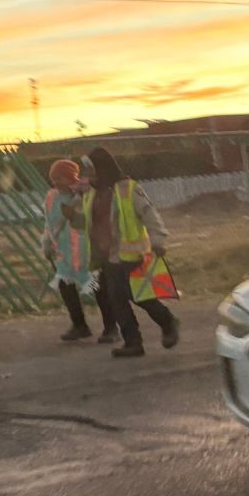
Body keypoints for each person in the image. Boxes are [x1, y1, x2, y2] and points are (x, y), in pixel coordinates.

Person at [77, 148, 179, 359]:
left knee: (141, 298)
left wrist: (158, 239)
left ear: (102, 168)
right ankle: (133, 343)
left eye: (91, 169)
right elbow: (89, 221)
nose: (88, 174)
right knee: (117, 299)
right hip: (107, 257)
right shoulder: (91, 193)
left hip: (130, 256)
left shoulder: (128, 189)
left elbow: (149, 213)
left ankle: (168, 322)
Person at [42, 159, 113, 342]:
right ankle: (79, 325)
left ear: (71, 177)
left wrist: (77, 201)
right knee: (67, 289)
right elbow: (49, 223)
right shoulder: (51, 196)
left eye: (61, 177)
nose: (56, 181)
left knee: (98, 289)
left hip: (87, 253)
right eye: (54, 178)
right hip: (64, 254)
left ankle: (111, 328)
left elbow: (93, 219)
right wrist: (46, 243)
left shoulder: (85, 194)